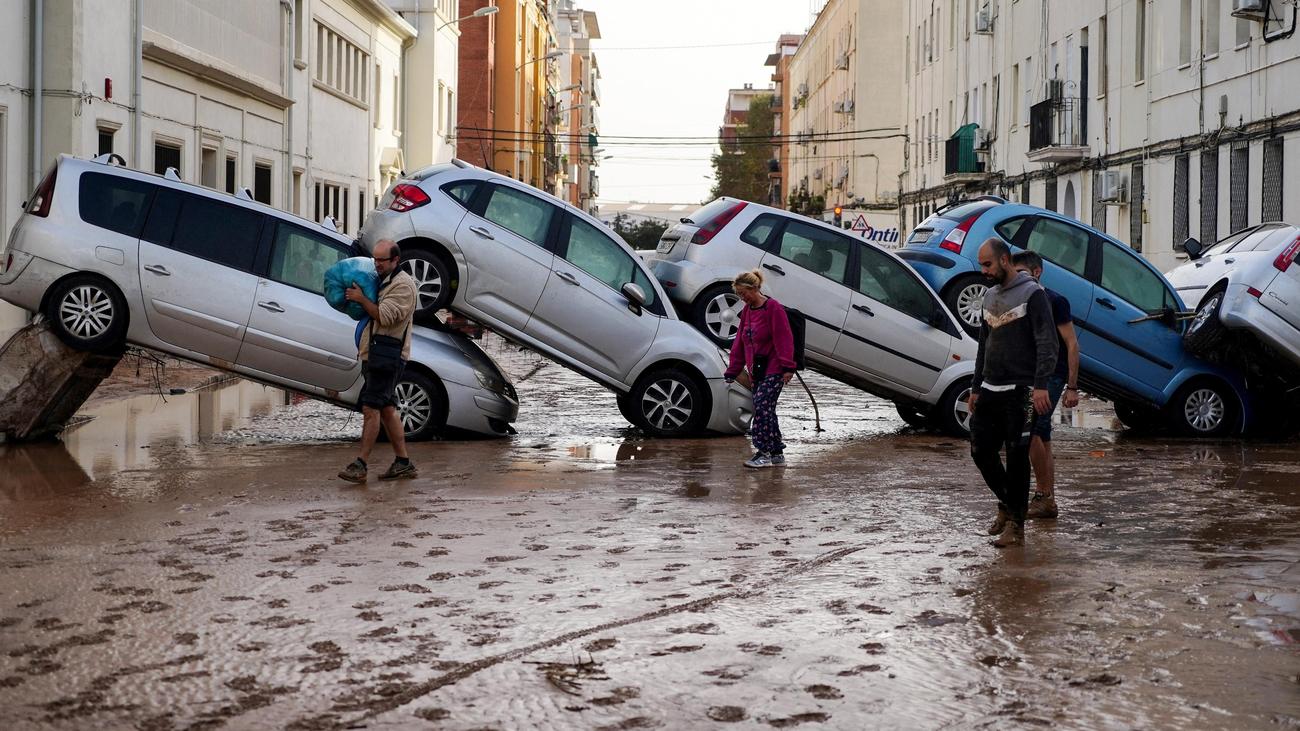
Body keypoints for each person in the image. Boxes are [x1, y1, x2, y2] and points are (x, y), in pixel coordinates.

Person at [968, 239, 1058, 547]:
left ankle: (1016, 527)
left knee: (1019, 456)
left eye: (988, 265)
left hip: (1022, 391)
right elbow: (983, 346)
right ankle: (1008, 504)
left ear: (1005, 260)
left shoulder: (1034, 295)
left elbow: (1049, 343)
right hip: (991, 388)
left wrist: (1041, 385)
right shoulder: (989, 296)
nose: (983, 271)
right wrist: (976, 387)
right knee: (980, 451)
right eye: (982, 265)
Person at [338, 239, 419, 483]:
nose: (377, 264)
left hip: (387, 357)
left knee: (370, 408)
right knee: (386, 408)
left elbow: (384, 316)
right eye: (375, 259)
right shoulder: (384, 280)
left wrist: (361, 299)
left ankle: (360, 465)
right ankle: (403, 462)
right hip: (376, 354)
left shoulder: (403, 286)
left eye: (381, 260)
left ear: (395, 260)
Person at [1011, 251, 1081, 521]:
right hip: (1030, 375)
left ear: (1037, 272)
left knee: (1032, 433)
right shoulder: (1020, 300)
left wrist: (1072, 387)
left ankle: (1042, 496)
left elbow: (1072, 344)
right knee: (1042, 435)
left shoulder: (1055, 301)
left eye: (1022, 273)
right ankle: (1047, 498)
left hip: (1051, 375)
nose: (1017, 279)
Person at [724, 269, 797, 469]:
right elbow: (740, 341)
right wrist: (733, 370)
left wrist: (787, 367)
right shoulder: (747, 311)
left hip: (774, 368)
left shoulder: (773, 308)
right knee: (767, 410)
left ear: (754, 288)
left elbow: (784, 338)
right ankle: (776, 453)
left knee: (762, 407)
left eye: (743, 293)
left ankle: (763, 451)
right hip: (757, 371)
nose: (742, 297)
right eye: (739, 294)